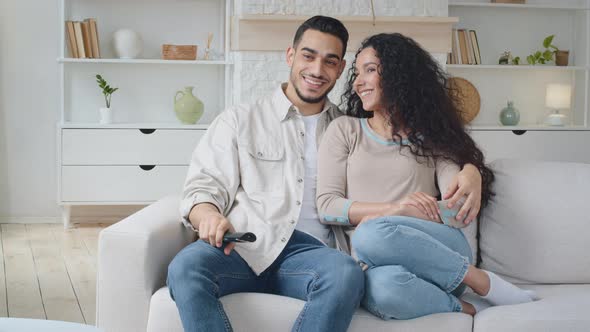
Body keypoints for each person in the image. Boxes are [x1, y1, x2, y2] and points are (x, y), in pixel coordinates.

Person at [167, 16, 483, 331]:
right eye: (308, 56)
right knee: (185, 267)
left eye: (330, 61)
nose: (317, 70)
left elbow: (433, 145)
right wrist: (206, 214)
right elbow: (203, 187)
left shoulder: (348, 128)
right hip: (245, 246)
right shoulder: (239, 120)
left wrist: (473, 170)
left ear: (341, 68)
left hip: (315, 255)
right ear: (290, 56)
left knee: (346, 275)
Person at [316, 33, 536, 320]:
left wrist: (471, 173)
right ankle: (465, 306)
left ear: (399, 75)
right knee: (382, 286)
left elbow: (455, 213)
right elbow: (328, 206)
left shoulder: (431, 140)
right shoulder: (345, 130)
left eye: (369, 70)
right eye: (357, 73)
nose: (357, 82)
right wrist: (396, 210)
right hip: (376, 263)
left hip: (441, 252)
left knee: (370, 232)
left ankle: (477, 280)